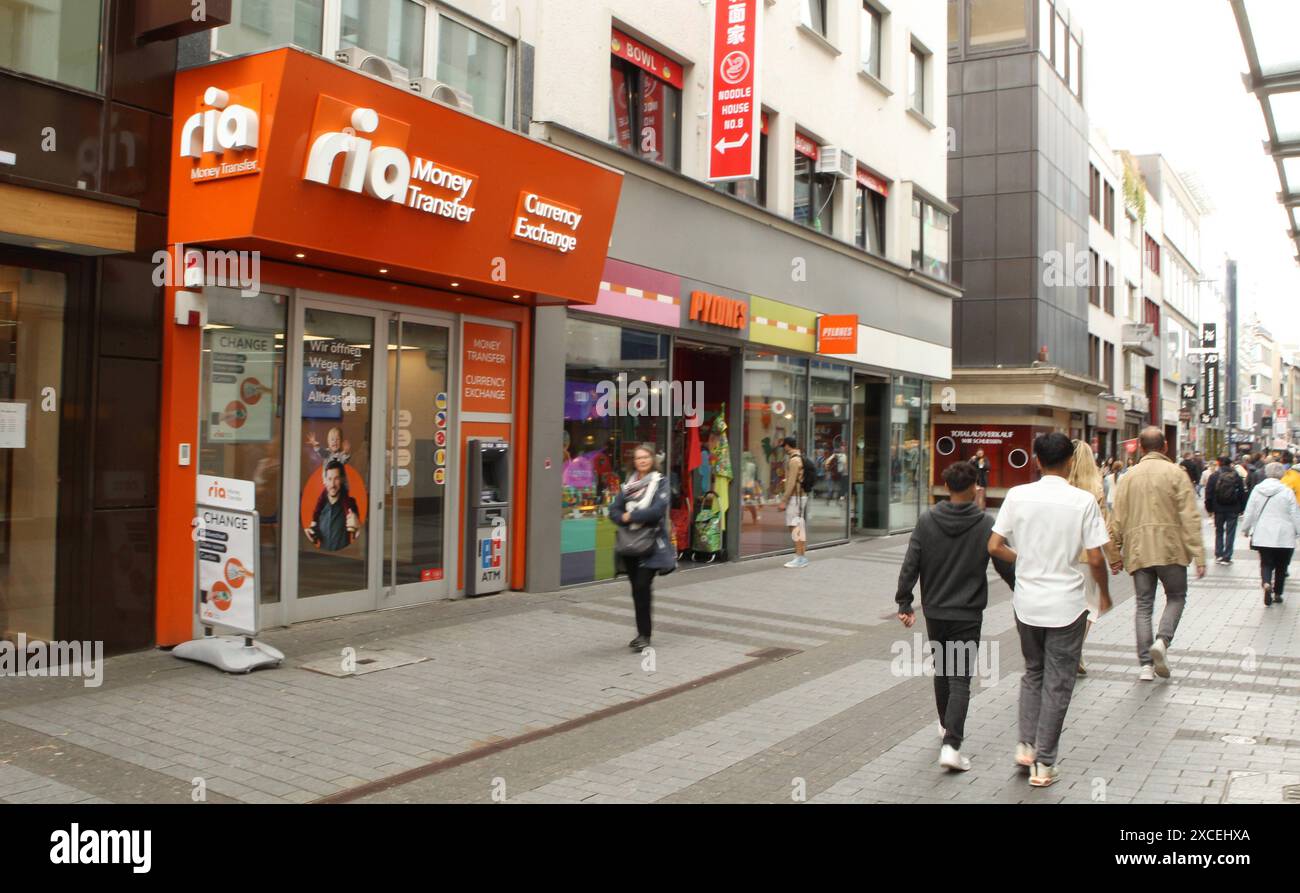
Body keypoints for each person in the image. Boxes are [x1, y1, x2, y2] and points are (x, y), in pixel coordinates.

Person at [988, 432, 1112, 789]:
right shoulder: (1083, 501)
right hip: (1068, 605)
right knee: (1059, 683)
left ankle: (1026, 745)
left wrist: (1025, 558)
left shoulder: (1017, 495)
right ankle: (1044, 764)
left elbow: (995, 545)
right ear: (1071, 462)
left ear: (1036, 460)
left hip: (1027, 602)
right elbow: (1094, 556)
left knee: (1033, 672)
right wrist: (1102, 593)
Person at [896, 462, 1015, 772]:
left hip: (935, 611)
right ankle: (951, 744)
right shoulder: (984, 523)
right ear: (976, 488)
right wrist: (1022, 589)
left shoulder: (927, 521)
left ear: (946, 487)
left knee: (942, 668)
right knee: (960, 676)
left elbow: (911, 563)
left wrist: (905, 602)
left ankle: (944, 725)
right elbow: (1005, 565)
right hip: (967, 612)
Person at [1109, 427, 1206, 682]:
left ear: (1141, 448)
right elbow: (1190, 516)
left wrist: (1113, 554)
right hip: (1171, 549)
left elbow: (1116, 519)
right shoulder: (1177, 473)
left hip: (1139, 550)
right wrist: (1199, 555)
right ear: (1165, 447)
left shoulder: (1128, 477)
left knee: (1143, 605)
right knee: (1176, 597)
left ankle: (1145, 665)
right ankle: (1162, 641)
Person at [609, 444, 675, 650]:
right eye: (638, 458)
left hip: (651, 545)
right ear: (634, 461)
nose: (642, 461)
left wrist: (630, 516)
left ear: (652, 459)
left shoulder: (660, 482)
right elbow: (613, 510)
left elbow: (657, 511)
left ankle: (645, 635)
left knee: (641, 586)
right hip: (630, 544)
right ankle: (641, 633)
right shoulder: (628, 485)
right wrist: (622, 516)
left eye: (646, 457)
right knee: (637, 591)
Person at [1066, 440, 1122, 676]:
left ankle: (1065, 649)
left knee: (1067, 604)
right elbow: (1104, 526)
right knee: (1088, 605)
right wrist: (1114, 556)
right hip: (1088, 555)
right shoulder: (1096, 488)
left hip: (1062, 553)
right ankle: (1076, 649)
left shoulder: (1062, 485)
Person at [1240, 462, 1300, 607]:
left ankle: (1266, 583)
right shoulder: (1287, 491)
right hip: (1284, 535)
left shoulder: (1257, 490)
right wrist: (1298, 530)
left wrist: (1245, 529)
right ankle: (1278, 593)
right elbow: (1295, 514)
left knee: (1266, 563)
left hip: (1263, 533)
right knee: (1282, 565)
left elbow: (1250, 511)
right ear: (1281, 474)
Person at [306, 460, 360, 552]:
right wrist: (311, 536)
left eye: (336, 478)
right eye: (330, 479)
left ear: (342, 480)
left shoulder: (350, 505)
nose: (332, 484)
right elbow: (315, 537)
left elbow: (359, 540)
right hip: (323, 559)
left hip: (343, 559)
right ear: (325, 480)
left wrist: (358, 527)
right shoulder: (319, 506)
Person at [1205, 455, 1245, 565]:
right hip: (1233, 508)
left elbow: (1208, 494)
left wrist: (1209, 508)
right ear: (1230, 464)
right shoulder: (1236, 476)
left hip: (1218, 508)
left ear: (1219, 464)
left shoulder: (1214, 476)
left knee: (1219, 531)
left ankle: (1219, 554)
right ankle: (1227, 556)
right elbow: (1242, 493)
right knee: (1230, 532)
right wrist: (1242, 508)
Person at [778, 436, 810, 568]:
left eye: (784, 446)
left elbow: (791, 483)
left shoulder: (793, 461)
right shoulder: (800, 457)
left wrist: (784, 500)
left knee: (794, 526)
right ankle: (802, 556)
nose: (783, 449)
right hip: (801, 496)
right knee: (799, 526)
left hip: (795, 498)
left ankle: (799, 557)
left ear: (787, 446)